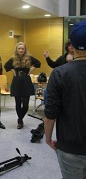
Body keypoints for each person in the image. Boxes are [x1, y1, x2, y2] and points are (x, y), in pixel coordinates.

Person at [44, 21, 86, 179]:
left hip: (70, 146)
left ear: (72, 45)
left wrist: (47, 139)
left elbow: (51, 114)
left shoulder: (60, 73)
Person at [4, 42, 41, 129]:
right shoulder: (13, 58)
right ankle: (20, 121)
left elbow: (38, 63)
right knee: (17, 103)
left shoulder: (29, 57)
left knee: (25, 105)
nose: (21, 50)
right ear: (16, 50)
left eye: (22, 48)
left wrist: (31, 69)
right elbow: (6, 66)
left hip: (26, 81)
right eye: (19, 48)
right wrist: (13, 71)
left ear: (25, 50)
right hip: (16, 81)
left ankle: (20, 118)